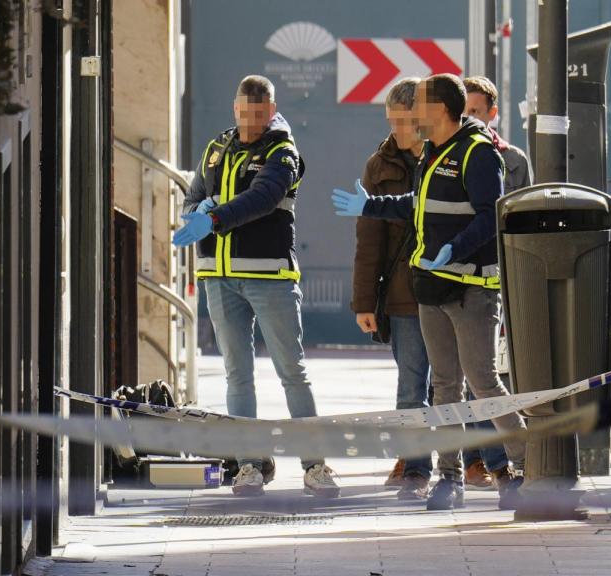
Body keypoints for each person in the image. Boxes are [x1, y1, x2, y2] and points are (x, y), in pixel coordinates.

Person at [332, 74, 527, 511]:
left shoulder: (478, 154)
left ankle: (522, 467)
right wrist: (370, 206)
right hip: (431, 290)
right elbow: (416, 203)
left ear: (439, 109)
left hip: (471, 291)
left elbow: (489, 217)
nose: (411, 113)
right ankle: (449, 478)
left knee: (483, 382)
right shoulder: (432, 154)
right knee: (445, 388)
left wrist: (453, 249)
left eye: (418, 104)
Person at [174, 75, 339, 499]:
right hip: (219, 277)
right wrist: (198, 208)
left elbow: (264, 197)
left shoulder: (282, 150)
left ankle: (314, 465)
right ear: (235, 108)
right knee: (237, 375)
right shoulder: (215, 150)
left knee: (291, 372)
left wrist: (211, 218)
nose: (252, 122)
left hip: (270, 278)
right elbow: (190, 199)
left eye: (260, 115)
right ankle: (248, 466)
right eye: (245, 114)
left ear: (271, 109)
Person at [351, 78, 432, 500]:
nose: (397, 130)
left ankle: (458, 465)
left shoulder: (447, 157)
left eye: (404, 121)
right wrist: (364, 302)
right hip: (403, 296)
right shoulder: (378, 166)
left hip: (449, 288)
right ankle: (417, 469)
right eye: (391, 121)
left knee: (452, 386)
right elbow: (370, 243)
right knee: (411, 387)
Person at [459, 76, 535, 491]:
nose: (469, 117)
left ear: (492, 114)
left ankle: (496, 459)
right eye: (463, 110)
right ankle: (477, 461)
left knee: (487, 372)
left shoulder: (515, 159)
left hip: (500, 277)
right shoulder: (447, 154)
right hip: (459, 276)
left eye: (476, 110)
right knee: (468, 374)